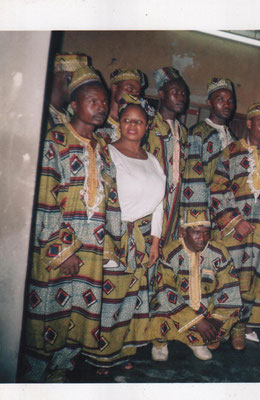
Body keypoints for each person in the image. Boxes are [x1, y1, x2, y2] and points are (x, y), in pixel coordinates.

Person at [23, 66, 117, 382]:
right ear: (74, 104)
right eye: (93, 101)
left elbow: (111, 199)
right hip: (57, 246)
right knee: (48, 310)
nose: (101, 107)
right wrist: (62, 251)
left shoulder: (103, 147)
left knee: (81, 309)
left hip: (93, 247)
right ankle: (32, 378)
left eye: (104, 102)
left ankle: (62, 369)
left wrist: (110, 246)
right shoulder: (55, 140)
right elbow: (44, 197)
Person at [84, 94, 164, 374]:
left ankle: (122, 351)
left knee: (133, 299)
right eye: (127, 120)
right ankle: (100, 356)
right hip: (114, 235)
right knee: (111, 299)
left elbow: (160, 204)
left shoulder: (153, 161)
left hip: (142, 237)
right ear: (119, 123)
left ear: (147, 126)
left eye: (139, 121)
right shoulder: (108, 153)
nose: (132, 125)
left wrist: (155, 241)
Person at [209, 101, 260, 351]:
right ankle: (218, 328)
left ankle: (239, 327)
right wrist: (235, 221)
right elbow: (217, 188)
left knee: (251, 281)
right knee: (227, 277)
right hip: (233, 230)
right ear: (248, 124)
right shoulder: (231, 151)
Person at [148, 209, 242, 361]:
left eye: (206, 233)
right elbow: (165, 291)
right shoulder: (170, 252)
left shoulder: (219, 252)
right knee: (158, 315)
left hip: (206, 308)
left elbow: (229, 289)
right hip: (176, 309)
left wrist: (216, 320)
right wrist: (196, 321)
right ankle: (160, 343)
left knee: (227, 319)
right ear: (183, 232)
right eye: (196, 233)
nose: (202, 239)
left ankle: (197, 342)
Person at [145, 67, 189, 249]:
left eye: (183, 93)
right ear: (161, 94)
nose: (181, 97)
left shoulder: (183, 132)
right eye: (175, 92)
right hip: (151, 203)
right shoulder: (148, 125)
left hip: (175, 205)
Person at [181, 78, 236, 216]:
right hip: (202, 208)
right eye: (220, 100)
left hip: (226, 209)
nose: (226, 105)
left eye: (230, 101)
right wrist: (197, 215)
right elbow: (191, 176)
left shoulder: (233, 138)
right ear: (209, 103)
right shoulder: (198, 133)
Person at [95, 68, 144, 144]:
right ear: (114, 88)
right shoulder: (98, 119)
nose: (134, 95)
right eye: (130, 89)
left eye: (137, 93)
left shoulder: (138, 124)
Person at [47, 53, 89, 131]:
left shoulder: (68, 116)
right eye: (75, 81)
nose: (79, 89)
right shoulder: (40, 114)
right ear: (60, 76)